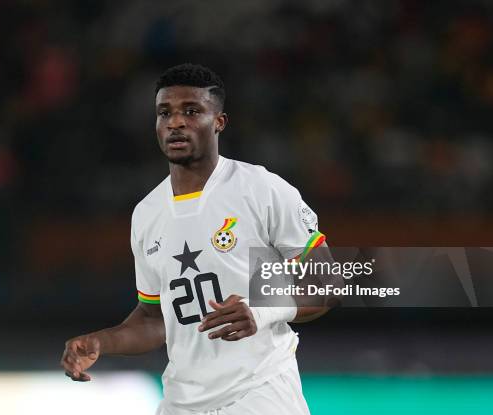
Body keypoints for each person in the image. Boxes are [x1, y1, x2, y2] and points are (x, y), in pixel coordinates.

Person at [61, 63, 331, 415]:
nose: (175, 122)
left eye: (191, 111)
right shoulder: (146, 213)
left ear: (219, 122)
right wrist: (101, 341)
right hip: (181, 403)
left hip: (259, 393)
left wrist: (262, 312)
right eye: (164, 113)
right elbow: (155, 318)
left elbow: (328, 282)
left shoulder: (260, 188)